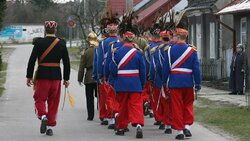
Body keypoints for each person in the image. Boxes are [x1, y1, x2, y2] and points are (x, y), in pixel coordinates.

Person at [26, 21, 70, 136]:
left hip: (42, 76)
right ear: (55, 30)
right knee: (53, 102)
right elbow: (67, 63)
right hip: (56, 77)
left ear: (45, 30)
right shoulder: (61, 43)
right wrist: (66, 79)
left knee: (39, 99)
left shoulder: (39, 43)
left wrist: (29, 76)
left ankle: (43, 115)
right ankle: (50, 127)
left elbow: (31, 61)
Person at [162, 28, 201, 140]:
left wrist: (165, 81)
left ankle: (180, 131)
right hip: (188, 82)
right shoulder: (192, 51)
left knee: (177, 106)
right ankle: (187, 126)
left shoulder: (169, 50)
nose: (172, 38)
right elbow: (196, 69)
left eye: (173, 36)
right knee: (188, 104)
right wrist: (198, 83)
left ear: (178, 37)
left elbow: (166, 68)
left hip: (175, 82)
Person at [109, 31, 146, 138]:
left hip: (121, 82)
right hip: (135, 83)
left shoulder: (116, 52)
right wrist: (142, 83)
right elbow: (143, 70)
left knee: (122, 106)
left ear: (123, 39)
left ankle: (121, 127)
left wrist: (114, 81)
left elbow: (112, 69)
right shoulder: (138, 53)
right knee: (136, 105)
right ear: (133, 40)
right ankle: (138, 125)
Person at [78, 32, 98, 121]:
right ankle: (103, 114)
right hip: (98, 75)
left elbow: (81, 67)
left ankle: (90, 116)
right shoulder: (99, 50)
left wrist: (80, 78)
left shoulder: (86, 52)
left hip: (89, 76)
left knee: (89, 98)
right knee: (100, 97)